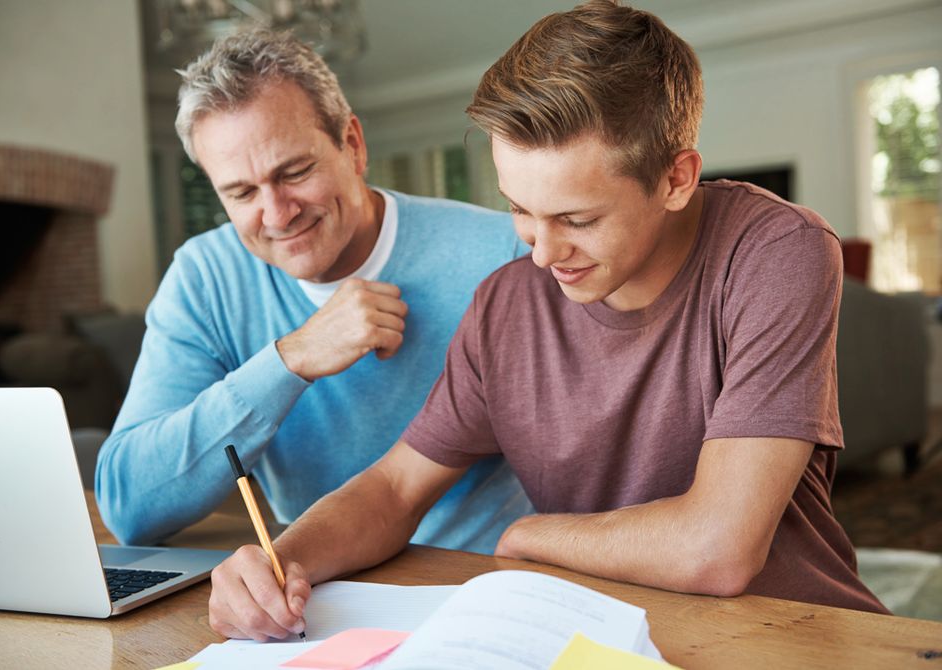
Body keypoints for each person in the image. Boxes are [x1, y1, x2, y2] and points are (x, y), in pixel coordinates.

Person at [207, 1, 888, 641]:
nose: (541, 251)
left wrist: (532, 536)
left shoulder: (777, 251)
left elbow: (719, 549)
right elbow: (393, 488)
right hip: (600, 637)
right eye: (520, 209)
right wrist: (279, 563)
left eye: (578, 219)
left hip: (794, 635)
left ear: (677, 179)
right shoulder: (506, 303)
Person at [94, 29, 534, 555]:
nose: (277, 214)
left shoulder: (502, 250)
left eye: (295, 172)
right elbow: (129, 508)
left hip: (477, 578)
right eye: (241, 192)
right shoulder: (204, 277)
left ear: (353, 145)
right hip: (314, 581)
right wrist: (289, 360)